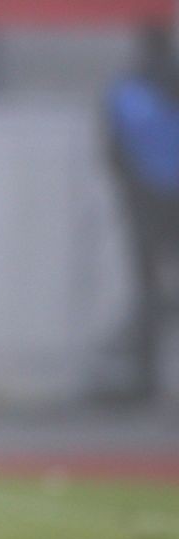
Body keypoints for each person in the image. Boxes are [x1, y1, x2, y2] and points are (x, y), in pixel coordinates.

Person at [102, 22, 179, 402]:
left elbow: (113, 153)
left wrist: (132, 194)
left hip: (145, 204)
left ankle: (147, 380)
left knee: (148, 290)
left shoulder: (127, 90)